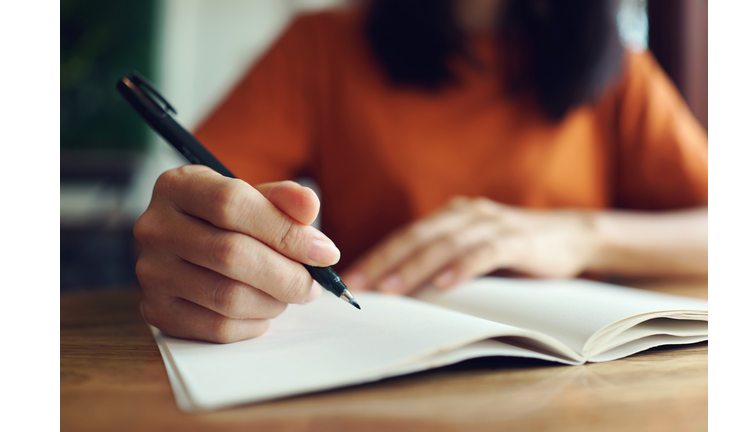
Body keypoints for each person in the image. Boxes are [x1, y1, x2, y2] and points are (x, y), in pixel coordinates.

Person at [134, 0, 708, 343]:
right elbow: (215, 195)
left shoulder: (623, 74)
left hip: (582, 386)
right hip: (364, 367)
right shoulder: (320, 46)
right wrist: (204, 240)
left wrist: (581, 234)